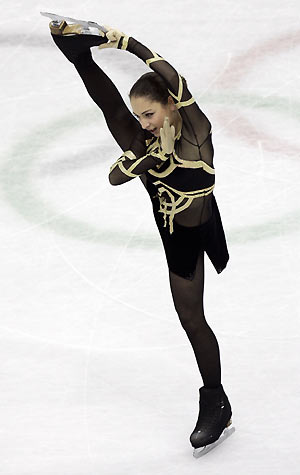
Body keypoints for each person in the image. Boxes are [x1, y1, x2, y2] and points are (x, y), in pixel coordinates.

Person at [48, 19, 232, 453]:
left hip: (194, 230)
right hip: (172, 234)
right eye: (140, 116)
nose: (144, 123)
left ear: (171, 106)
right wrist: (147, 158)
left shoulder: (197, 134)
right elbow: (114, 174)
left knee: (193, 319)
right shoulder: (145, 142)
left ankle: (216, 401)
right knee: (109, 112)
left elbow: (175, 78)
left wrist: (128, 42)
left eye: (149, 113)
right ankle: (78, 56)